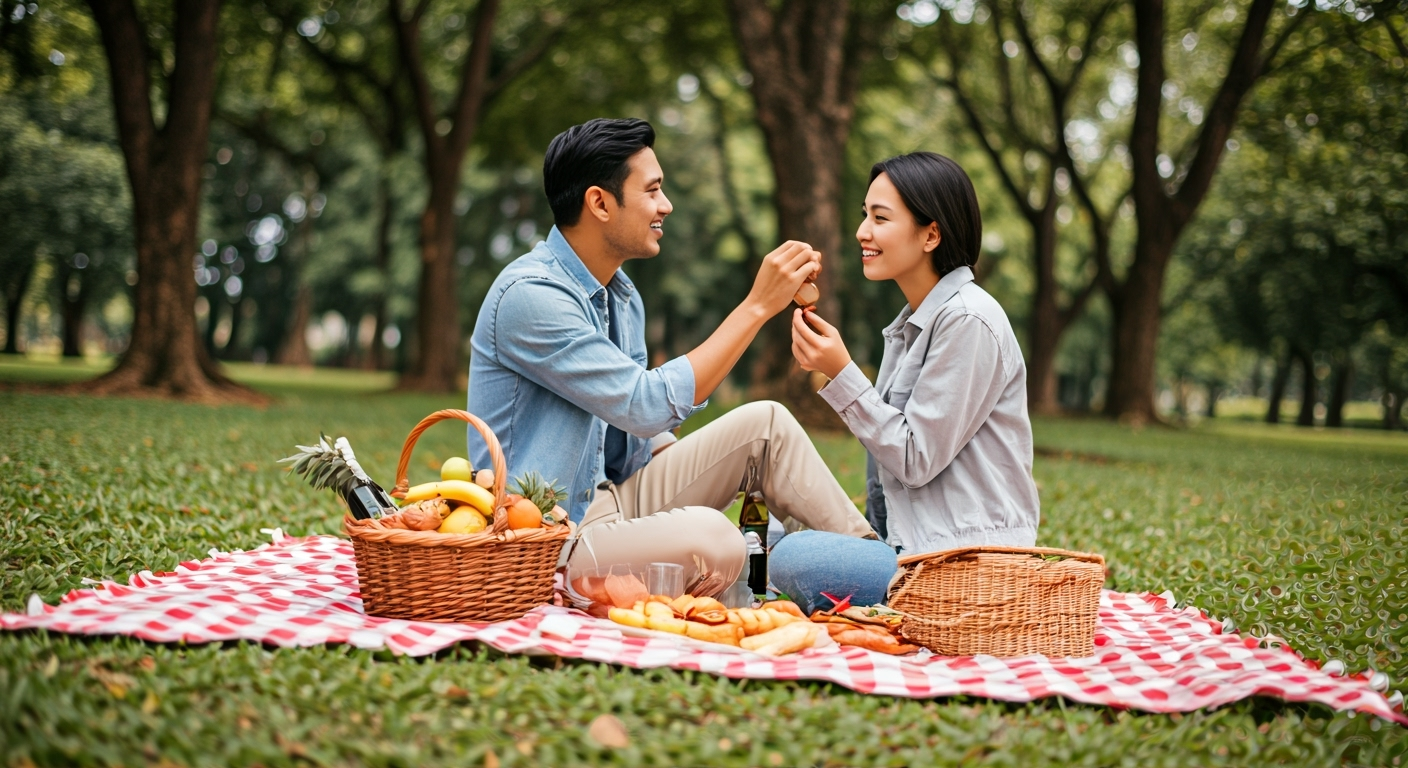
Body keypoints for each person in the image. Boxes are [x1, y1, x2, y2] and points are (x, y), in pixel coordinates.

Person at [467, 118, 874, 599]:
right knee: (716, 540)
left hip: (614, 502)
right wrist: (757, 306)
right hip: (545, 540)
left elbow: (639, 437)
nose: (666, 205)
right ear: (600, 203)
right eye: (652, 190)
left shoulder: (622, 296)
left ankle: (882, 573)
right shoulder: (530, 296)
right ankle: (792, 564)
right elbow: (643, 405)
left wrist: (714, 469)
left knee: (766, 425)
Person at [772, 151, 1041, 614]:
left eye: (880, 218)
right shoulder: (914, 324)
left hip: (962, 562)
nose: (863, 232)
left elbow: (915, 459)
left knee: (793, 557)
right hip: (909, 544)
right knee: (768, 530)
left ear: (931, 234)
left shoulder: (970, 320)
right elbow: (888, 476)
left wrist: (841, 371)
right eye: (865, 215)